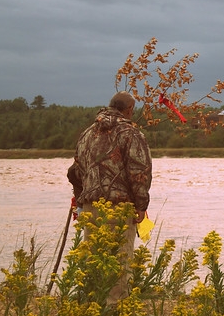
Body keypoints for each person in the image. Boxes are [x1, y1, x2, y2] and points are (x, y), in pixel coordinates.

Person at [67, 91, 152, 305]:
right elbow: (139, 171)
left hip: (90, 208)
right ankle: (116, 308)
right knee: (119, 262)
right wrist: (141, 206)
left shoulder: (87, 133)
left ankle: (91, 306)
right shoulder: (130, 133)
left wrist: (80, 201)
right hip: (118, 208)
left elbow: (74, 172)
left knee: (93, 260)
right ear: (129, 109)